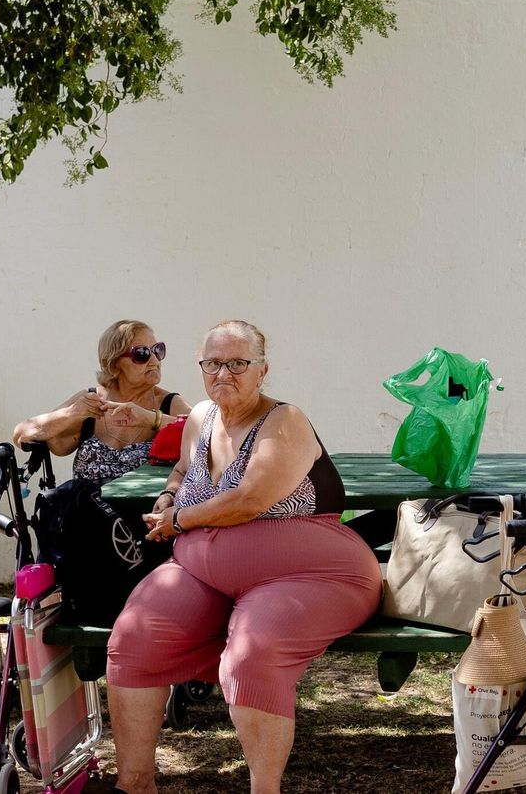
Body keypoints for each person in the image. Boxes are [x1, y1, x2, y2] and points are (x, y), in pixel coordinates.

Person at [105, 320, 382, 794]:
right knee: (134, 639)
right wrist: (169, 496)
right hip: (202, 573)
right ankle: (134, 784)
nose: (223, 374)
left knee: (252, 657)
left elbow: (249, 500)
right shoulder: (201, 418)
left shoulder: (284, 420)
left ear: (262, 370)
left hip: (310, 575)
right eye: (213, 363)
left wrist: (179, 520)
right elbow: (183, 468)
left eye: (237, 363)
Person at [12, 319, 191, 484]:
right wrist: (71, 413)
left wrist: (152, 419)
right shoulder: (91, 400)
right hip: (85, 507)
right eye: (142, 353)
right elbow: (21, 434)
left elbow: (205, 435)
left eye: (158, 350)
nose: (154, 361)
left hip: (147, 508)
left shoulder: (169, 403)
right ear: (114, 362)